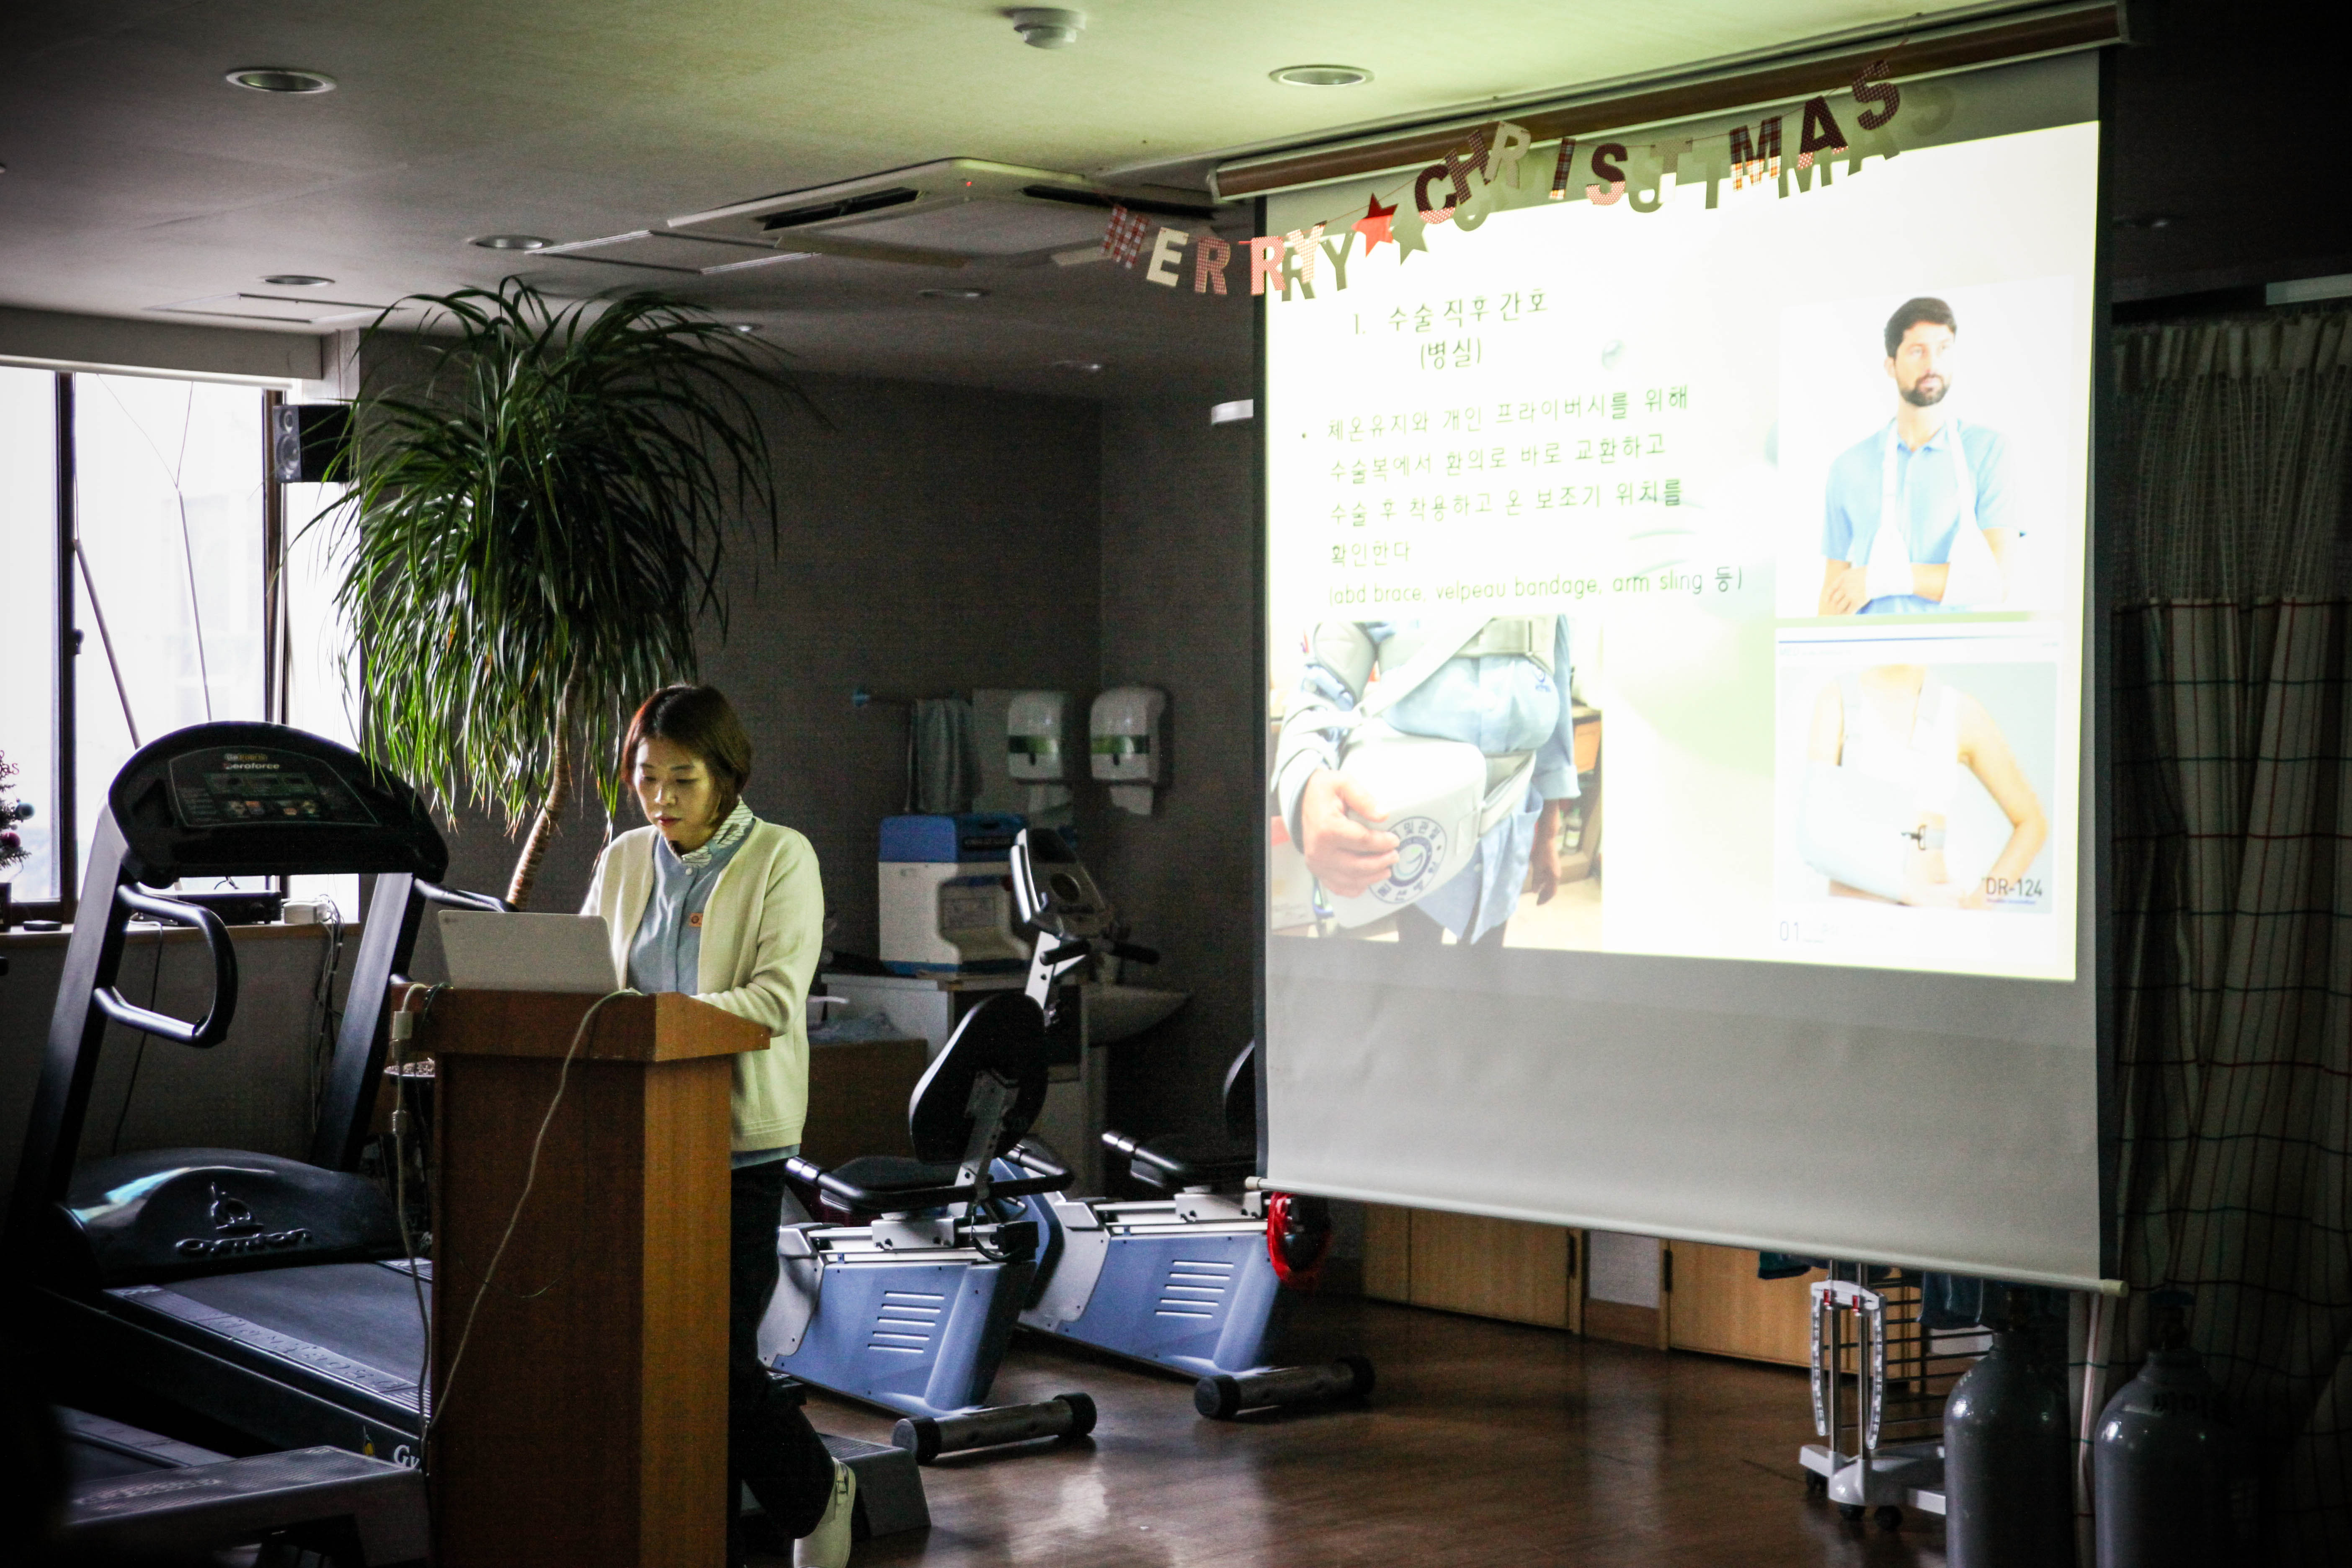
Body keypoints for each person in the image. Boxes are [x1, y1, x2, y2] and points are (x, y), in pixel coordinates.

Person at [580, 685, 853, 1568]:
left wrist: (660, 1020)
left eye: (683, 779)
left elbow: (774, 1000)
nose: (660, 797)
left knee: (716, 1357)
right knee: (645, 1350)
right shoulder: (625, 859)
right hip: (635, 1136)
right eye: (646, 777)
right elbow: (584, 983)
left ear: (727, 775)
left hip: (737, 1141)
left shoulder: (781, 856)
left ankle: (816, 1490)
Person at [1272, 616, 1577, 945]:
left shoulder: (1549, 592)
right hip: (1418, 841)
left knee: (1487, 957)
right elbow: (1322, 689)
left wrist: (1548, 836)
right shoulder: (1378, 586)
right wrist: (1308, 782)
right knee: (1416, 955)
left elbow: (1558, 709)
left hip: (1507, 838)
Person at [1818, 297, 2018, 616]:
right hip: (1871, 649)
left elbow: (1997, 581)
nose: (1932, 365)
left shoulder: (1988, 451)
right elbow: (1834, 594)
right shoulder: (1848, 467)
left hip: (1954, 649)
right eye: (1917, 351)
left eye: (1943, 349)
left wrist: (1880, 580)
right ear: (1891, 365)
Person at [1798, 664, 2047, 908]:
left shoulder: (1960, 712)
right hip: (1855, 920)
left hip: (1931, 920)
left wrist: (1976, 908)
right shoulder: (1838, 698)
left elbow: (2032, 823)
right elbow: (1814, 842)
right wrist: (1910, 892)